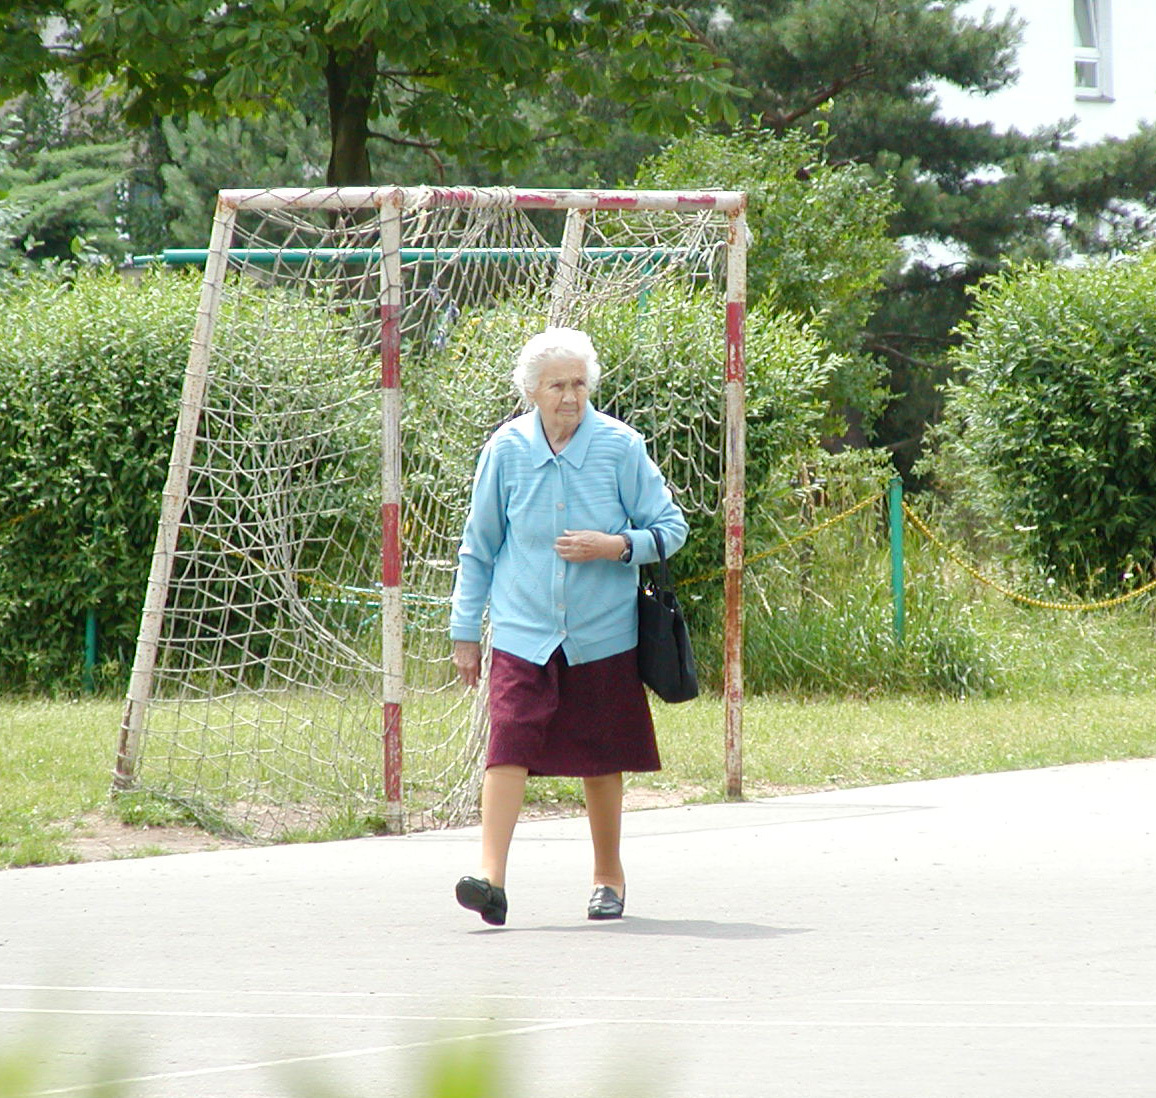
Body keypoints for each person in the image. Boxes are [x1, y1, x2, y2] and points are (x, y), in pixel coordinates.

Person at [449, 327, 689, 926]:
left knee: (601, 755)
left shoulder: (620, 447)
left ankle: (608, 877)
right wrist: (464, 631)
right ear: (532, 390)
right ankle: (491, 881)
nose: (570, 397)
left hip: (603, 633)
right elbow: (479, 547)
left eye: (580, 384)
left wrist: (616, 546)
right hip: (521, 631)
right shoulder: (505, 450)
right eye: (557, 385)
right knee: (507, 743)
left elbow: (671, 527)